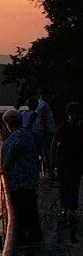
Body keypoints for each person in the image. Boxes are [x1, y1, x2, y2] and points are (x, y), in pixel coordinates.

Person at [2, 109, 52, 256]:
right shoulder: (27, 134)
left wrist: (5, 167)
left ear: (8, 124)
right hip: (27, 185)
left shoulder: (17, 137)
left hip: (21, 187)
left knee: (25, 222)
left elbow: (13, 151)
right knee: (27, 222)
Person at [55, 102, 83, 242]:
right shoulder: (63, 126)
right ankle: (65, 208)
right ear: (69, 114)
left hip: (77, 160)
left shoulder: (80, 127)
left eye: (77, 113)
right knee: (64, 184)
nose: (75, 115)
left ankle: (72, 207)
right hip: (64, 161)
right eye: (73, 113)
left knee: (75, 184)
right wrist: (51, 162)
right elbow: (54, 143)